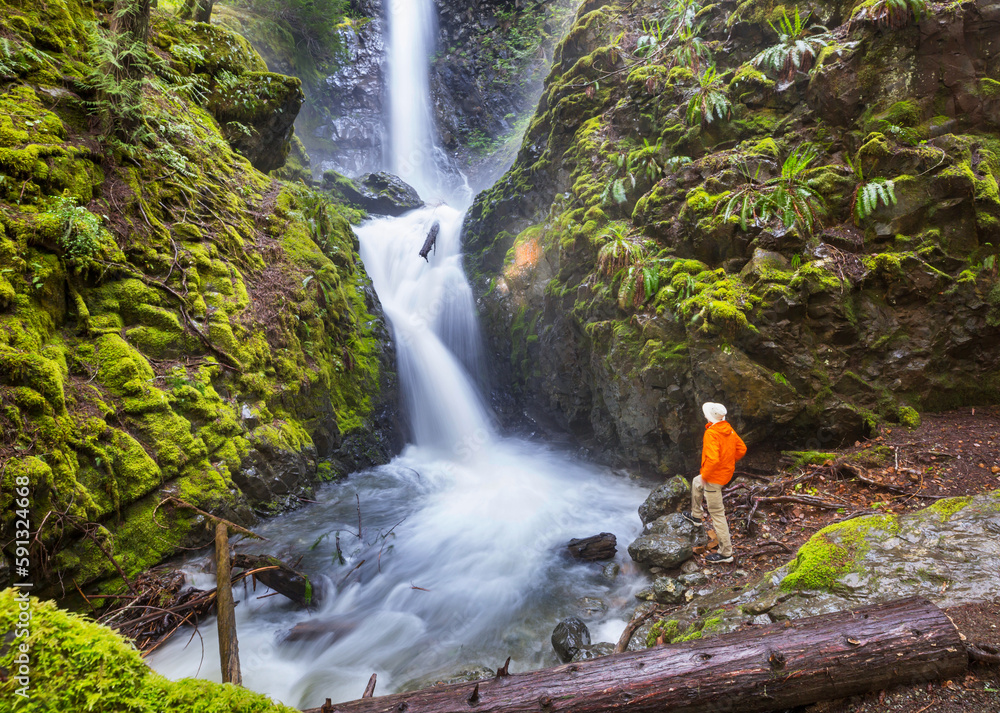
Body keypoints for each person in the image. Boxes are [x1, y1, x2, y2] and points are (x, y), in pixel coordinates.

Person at [683, 402, 746, 564]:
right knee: (696, 482)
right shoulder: (729, 430)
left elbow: (712, 459)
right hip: (724, 473)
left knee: (717, 514)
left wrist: (706, 475)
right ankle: (696, 516)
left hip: (714, 478)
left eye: (706, 413)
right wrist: (728, 462)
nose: (704, 415)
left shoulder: (712, 433)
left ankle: (726, 553)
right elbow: (742, 449)